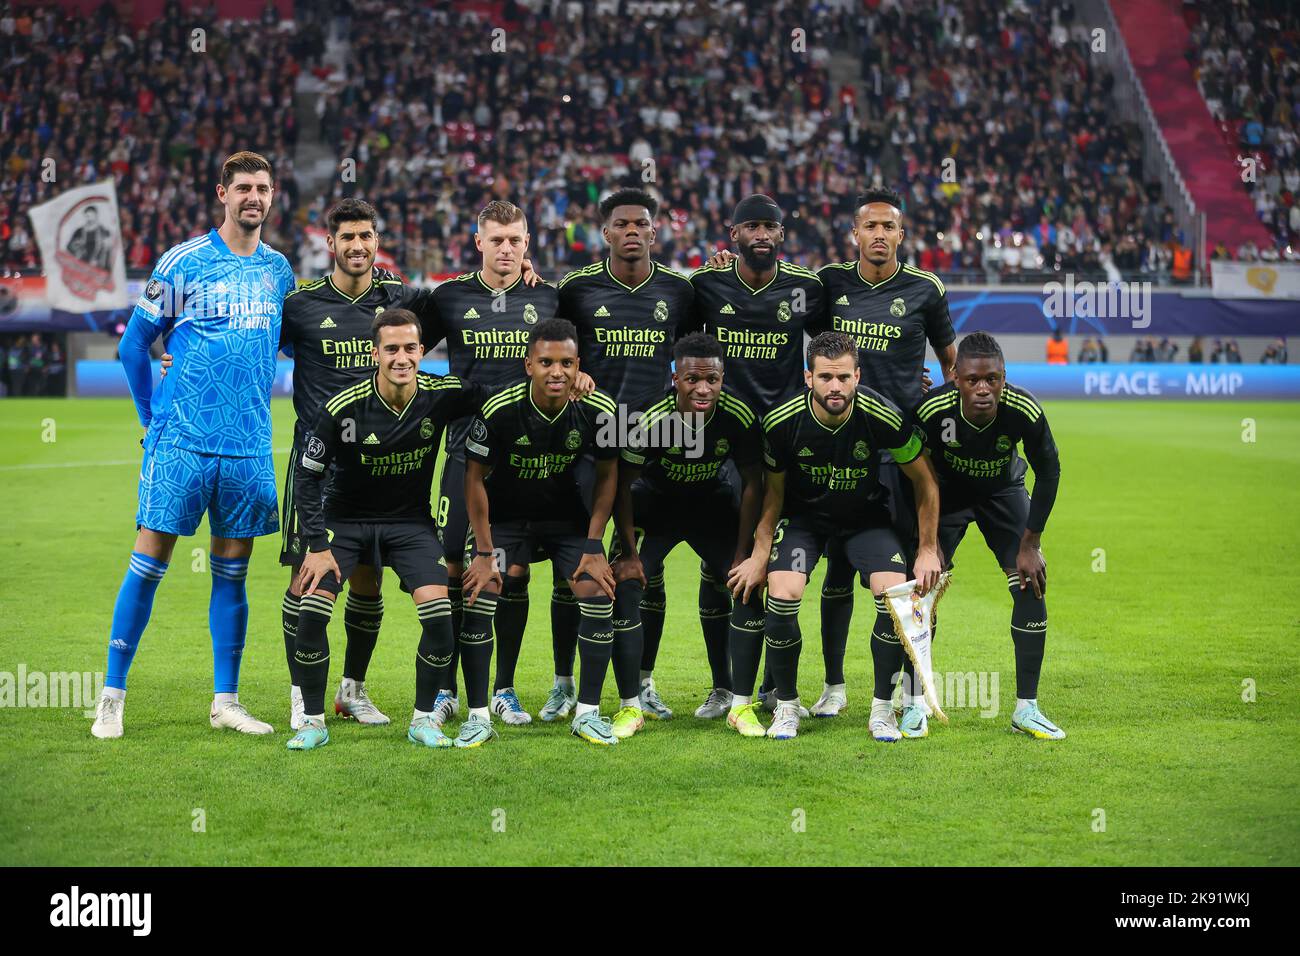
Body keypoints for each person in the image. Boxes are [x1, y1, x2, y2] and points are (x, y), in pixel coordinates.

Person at [91, 150, 296, 739]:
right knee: (147, 566)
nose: (254, 197)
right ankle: (112, 695)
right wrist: (150, 419)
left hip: (249, 446)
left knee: (232, 576)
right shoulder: (185, 262)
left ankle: (226, 700)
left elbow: (289, 343)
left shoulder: (278, 272)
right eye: (243, 189)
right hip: (181, 442)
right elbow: (134, 346)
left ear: (272, 195)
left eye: (263, 188)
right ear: (222, 194)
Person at [287, 308, 490, 751]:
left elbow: (495, 394)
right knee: (312, 611)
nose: (402, 357)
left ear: (423, 350)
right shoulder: (343, 408)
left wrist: (573, 382)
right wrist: (317, 546)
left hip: (409, 523)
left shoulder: (442, 394)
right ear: (374, 352)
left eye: (410, 348)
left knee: (439, 619)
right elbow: (307, 476)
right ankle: (312, 721)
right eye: (392, 349)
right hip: (346, 521)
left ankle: (422, 720)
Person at [277, 198, 443, 730]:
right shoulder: (300, 306)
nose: (357, 246)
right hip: (319, 469)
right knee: (309, 580)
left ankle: (352, 688)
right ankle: (304, 698)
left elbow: (463, 305)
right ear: (330, 245)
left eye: (366, 236)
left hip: (381, 472)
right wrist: (179, 355)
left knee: (369, 583)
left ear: (377, 241)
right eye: (347, 237)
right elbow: (249, 350)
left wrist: (522, 272)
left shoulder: (399, 299)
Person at [727, 331, 942, 742]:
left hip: (865, 519)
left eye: (844, 377)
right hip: (805, 521)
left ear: (857, 376)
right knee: (783, 589)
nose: (835, 387)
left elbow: (926, 482)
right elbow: (772, 495)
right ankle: (787, 707)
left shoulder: (884, 416)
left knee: (894, 593)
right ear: (809, 377)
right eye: (826, 377)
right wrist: (759, 552)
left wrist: (928, 548)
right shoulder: (781, 421)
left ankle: (882, 710)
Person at [431, 200, 590, 731]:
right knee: (457, 573)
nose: (506, 249)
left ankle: (503, 689)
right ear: (478, 242)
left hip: (529, 463)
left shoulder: (548, 296)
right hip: (464, 456)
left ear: (527, 244)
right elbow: (399, 338)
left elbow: (573, 357)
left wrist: (582, 377)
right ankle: (445, 690)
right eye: (496, 240)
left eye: (515, 240)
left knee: (512, 573)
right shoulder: (450, 297)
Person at [670, 194, 825, 720]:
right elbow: (680, 346)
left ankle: (773, 689)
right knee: (724, 568)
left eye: (770, 226)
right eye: (751, 226)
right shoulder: (705, 286)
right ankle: (723, 687)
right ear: (732, 234)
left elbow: (835, 345)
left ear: (781, 235)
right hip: (726, 446)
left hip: (785, 447)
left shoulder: (806, 289)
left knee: (777, 565)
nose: (761, 234)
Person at [547, 188, 694, 722]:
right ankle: (564, 683)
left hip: (657, 446)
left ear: (655, 233)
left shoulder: (680, 291)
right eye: (622, 224)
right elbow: (554, 342)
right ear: (605, 233)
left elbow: (699, 356)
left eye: (641, 224)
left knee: (643, 568)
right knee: (577, 566)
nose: (632, 231)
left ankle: (644, 682)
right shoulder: (578, 289)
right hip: (589, 448)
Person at [810, 187, 956, 720]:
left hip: (900, 453)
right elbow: (784, 320)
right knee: (833, 575)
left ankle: (911, 693)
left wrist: (940, 413)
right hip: (836, 448)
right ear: (855, 234)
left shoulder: (924, 289)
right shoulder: (830, 284)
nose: (878, 235)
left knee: (904, 577)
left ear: (900, 234)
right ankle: (833, 686)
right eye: (868, 226)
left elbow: (950, 363)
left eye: (888, 227)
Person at [457, 318, 621, 747]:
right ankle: (481, 712)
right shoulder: (500, 410)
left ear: (578, 365)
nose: (557, 372)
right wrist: (484, 551)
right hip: (507, 522)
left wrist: (594, 544)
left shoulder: (598, 410)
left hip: (566, 521)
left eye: (566, 363)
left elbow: (608, 477)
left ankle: (587, 712)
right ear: (528, 364)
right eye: (546, 362)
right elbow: (473, 479)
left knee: (597, 592)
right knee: (483, 590)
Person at [609, 332, 767, 738]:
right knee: (626, 583)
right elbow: (621, 485)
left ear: (722, 378)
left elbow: (753, 482)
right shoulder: (645, 416)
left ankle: (738, 702)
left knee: (746, 584)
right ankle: (630, 705)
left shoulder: (739, 414)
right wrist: (627, 550)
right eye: (693, 378)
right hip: (654, 506)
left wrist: (745, 550)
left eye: (712, 379)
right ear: (675, 377)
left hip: (710, 507)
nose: (703, 388)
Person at [914, 331, 1064, 739]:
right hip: (946, 494)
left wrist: (1030, 543)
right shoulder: (932, 410)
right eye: (973, 380)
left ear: (1004, 378)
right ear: (956, 378)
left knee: (1031, 583)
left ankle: (1026, 709)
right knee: (921, 588)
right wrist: (925, 543)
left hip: (1003, 492)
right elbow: (911, 467)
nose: (983, 389)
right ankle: (913, 702)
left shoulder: (1023, 409)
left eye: (993, 379)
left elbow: (1049, 471)